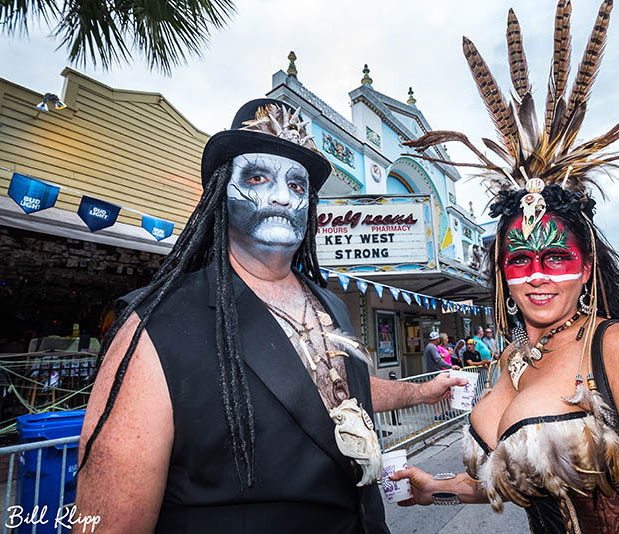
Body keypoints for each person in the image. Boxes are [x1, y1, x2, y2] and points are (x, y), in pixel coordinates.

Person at [390, 4, 619, 531]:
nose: (538, 274)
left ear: (588, 264)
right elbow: (522, 479)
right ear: (502, 272)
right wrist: (435, 491)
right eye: (520, 260)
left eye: (556, 257)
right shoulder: (513, 357)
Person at [75, 98, 464, 533]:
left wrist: (426, 391)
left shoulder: (330, 305)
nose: (281, 196)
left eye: (298, 186)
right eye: (258, 177)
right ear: (221, 192)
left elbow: (336, 391)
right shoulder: (154, 327)